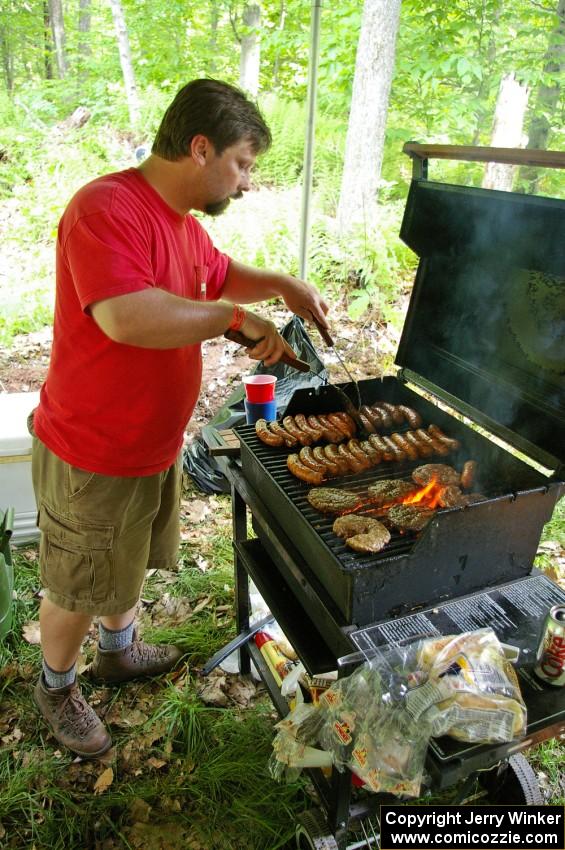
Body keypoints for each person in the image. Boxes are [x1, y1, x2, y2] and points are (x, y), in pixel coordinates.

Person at [30, 78, 329, 758]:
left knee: (122, 558)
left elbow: (220, 275)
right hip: (93, 444)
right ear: (200, 148)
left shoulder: (183, 227)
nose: (247, 182)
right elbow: (125, 315)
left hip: (148, 440)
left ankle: (118, 649)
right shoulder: (105, 208)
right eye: (243, 162)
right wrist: (232, 320)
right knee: (79, 580)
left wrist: (279, 284)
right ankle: (55, 685)